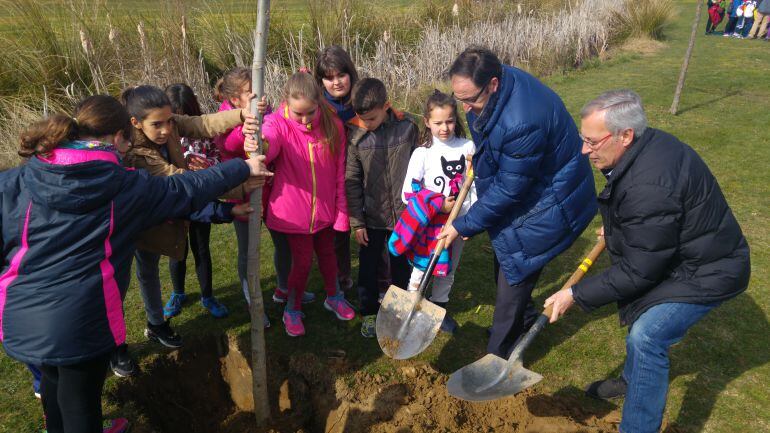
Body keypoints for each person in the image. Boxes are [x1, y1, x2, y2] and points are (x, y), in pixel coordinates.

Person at [0, 95, 269, 433]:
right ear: (118, 138)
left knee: (55, 381)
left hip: (18, 312)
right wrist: (243, 167)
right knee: (81, 398)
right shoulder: (121, 187)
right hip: (81, 318)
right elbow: (182, 189)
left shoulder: (17, 179)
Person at [544, 89, 750, 433]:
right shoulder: (646, 148)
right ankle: (634, 380)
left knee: (647, 336)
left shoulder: (650, 183)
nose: (584, 150)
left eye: (592, 142)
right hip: (685, 256)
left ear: (626, 135)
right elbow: (655, 228)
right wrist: (621, 232)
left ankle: (637, 428)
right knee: (643, 309)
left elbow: (639, 269)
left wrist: (574, 295)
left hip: (712, 270)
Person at [439, 46, 596, 358]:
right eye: (460, 99)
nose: (466, 108)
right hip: (533, 183)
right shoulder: (495, 92)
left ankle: (500, 352)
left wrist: (465, 224)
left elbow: (511, 189)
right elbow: (496, 153)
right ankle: (520, 321)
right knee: (506, 255)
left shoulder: (521, 120)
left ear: (493, 84)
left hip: (551, 199)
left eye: (470, 99)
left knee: (515, 268)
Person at [122, 85, 259, 349]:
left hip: (171, 214)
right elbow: (184, 183)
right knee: (146, 271)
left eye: (169, 121)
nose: (165, 130)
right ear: (136, 124)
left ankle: (155, 323)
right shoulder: (138, 155)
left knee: (161, 264)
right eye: (157, 125)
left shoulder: (170, 125)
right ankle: (152, 324)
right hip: (143, 226)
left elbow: (202, 123)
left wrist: (241, 114)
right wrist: (240, 178)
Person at [248, 71, 356, 337]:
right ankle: (292, 309)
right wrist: (258, 143)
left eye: (310, 112)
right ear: (286, 102)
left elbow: (340, 171)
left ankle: (334, 296)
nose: (306, 119)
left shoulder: (332, 125)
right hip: (293, 214)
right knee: (303, 262)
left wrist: (341, 213)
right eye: (299, 114)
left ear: (319, 102)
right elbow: (269, 144)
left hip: (325, 211)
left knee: (329, 255)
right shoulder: (277, 125)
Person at [212, 67, 305, 313]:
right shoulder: (224, 118)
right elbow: (227, 146)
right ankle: (253, 302)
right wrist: (243, 131)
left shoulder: (267, 112)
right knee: (248, 251)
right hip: (243, 195)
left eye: (260, 91)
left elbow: (277, 130)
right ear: (235, 100)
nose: (259, 97)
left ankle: (285, 287)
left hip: (271, 192)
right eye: (251, 94)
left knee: (283, 244)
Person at [393, 89, 476, 334]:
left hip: (458, 223)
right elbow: (407, 193)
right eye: (438, 123)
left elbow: (476, 187)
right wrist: (438, 205)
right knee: (421, 266)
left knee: (448, 268)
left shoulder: (468, 147)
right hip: (429, 224)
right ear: (427, 123)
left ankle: (439, 307)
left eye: (450, 121)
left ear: (456, 120)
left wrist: (470, 221)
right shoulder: (423, 153)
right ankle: (410, 306)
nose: (444, 128)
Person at [345, 77, 419, 338]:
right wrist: (358, 222)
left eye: (372, 119)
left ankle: (398, 312)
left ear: (386, 106)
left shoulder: (408, 127)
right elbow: (351, 180)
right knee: (367, 268)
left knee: (401, 267)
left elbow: (422, 163)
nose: (367, 124)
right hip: (371, 217)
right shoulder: (355, 136)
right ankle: (368, 313)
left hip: (404, 217)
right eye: (362, 118)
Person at [162, 83, 228, 319]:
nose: (180, 119)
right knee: (177, 249)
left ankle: (207, 295)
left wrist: (206, 167)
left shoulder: (203, 132)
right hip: (175, 201)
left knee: (201, 248)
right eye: (175, 114)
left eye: (185, 112)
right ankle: (178, 293)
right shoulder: (162, 137)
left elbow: (218, 160)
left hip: (201, 200)